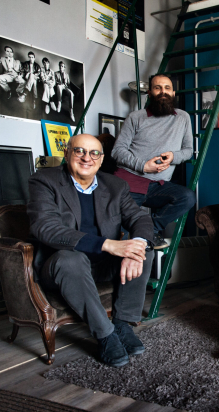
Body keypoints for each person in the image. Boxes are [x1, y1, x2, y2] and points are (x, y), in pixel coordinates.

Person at [26, 133, 155, 368]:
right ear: (67, 153)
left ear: (102, 159)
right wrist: (108, 244)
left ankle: (122, 323)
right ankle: (106, 335)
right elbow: (46, 228)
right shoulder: (44, 181)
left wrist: (136, 245)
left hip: (102, 265)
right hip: (62, 268)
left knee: (143, 251)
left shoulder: (115, 185)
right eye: (80, 151)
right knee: (71, 260)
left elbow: (140, 219)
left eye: (94, 153)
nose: (87, 158)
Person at [112, 73, 195, 249]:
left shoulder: (183, 117)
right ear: (149, 93)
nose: (163, 91)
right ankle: (140, 235)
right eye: (158, 88)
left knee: (187, 197)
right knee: (121, 239)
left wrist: (174, 156)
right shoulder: (136, 117)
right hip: (130, 183)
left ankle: (150, 229)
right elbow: (117, 151)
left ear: (173, 93)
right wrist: (143, 166)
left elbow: (188, 150)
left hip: (158, 185)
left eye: (167, 88)